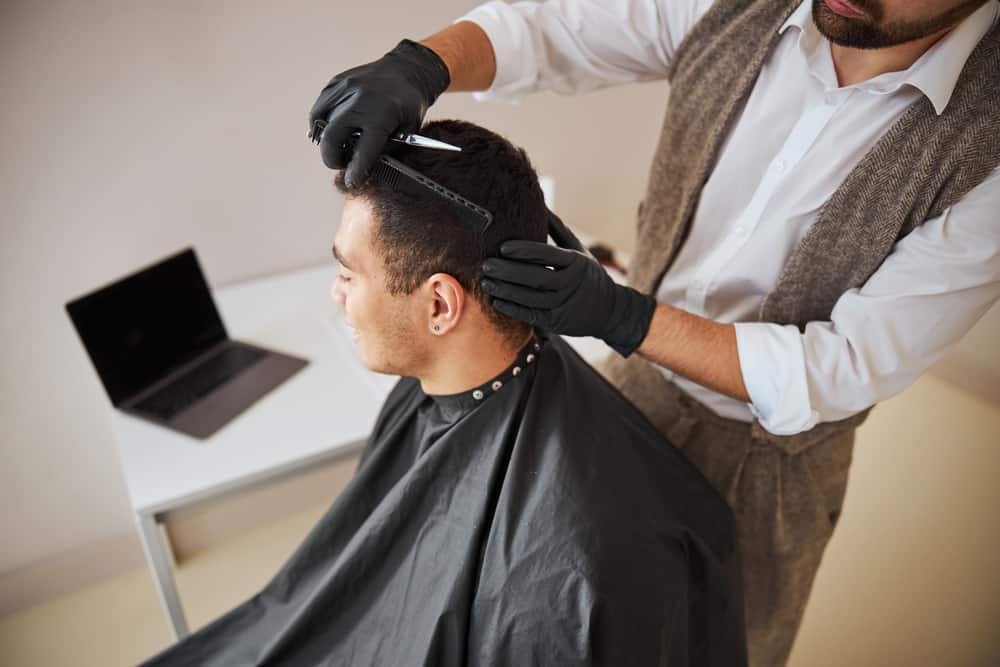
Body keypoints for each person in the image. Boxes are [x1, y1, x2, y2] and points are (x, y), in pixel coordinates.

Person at [306, 2, 1000, 664]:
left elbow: (837, 369)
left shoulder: (987, 151)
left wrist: (624, 315)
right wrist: (423, 63)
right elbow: (555, 29)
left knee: (717, 636)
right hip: (625, 388)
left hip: (768, 461)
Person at [141, 119, 746, 666]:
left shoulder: (573, 564)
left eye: (350, 274)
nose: (337, 294)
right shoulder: (442, 385)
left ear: (438, 304)